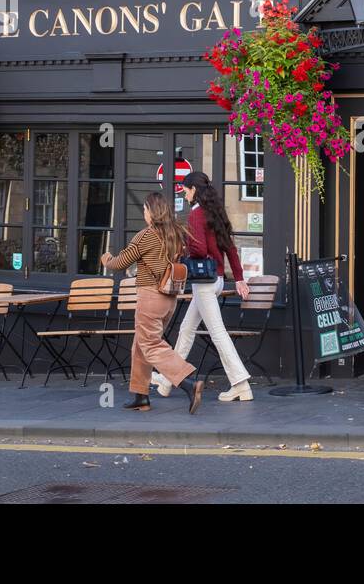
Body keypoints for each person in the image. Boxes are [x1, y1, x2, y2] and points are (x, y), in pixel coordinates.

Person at [153, 170, 254, 402]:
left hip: (204, 284)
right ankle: (168, 380)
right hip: (216, 280)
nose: (185, 194)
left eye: (186, 190)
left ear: (194, 191)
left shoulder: (196, 215)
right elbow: (230, 248)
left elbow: (198, 250)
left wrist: (185, 248)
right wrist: (238, 277)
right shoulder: (215, 212)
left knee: (217, 334)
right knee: (187, 330)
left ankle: (240, 383)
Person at [101, 192, 204, 414]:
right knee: (141, 345)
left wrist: (107, 260)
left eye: (146, 210)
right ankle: (141, 396)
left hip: (150, 297)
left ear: (152, 212)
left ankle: (188, 383)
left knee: (151, 345)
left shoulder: (146, 236)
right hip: (169, 298)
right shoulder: (175, 234)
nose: (144, 214)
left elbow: (121, 263)